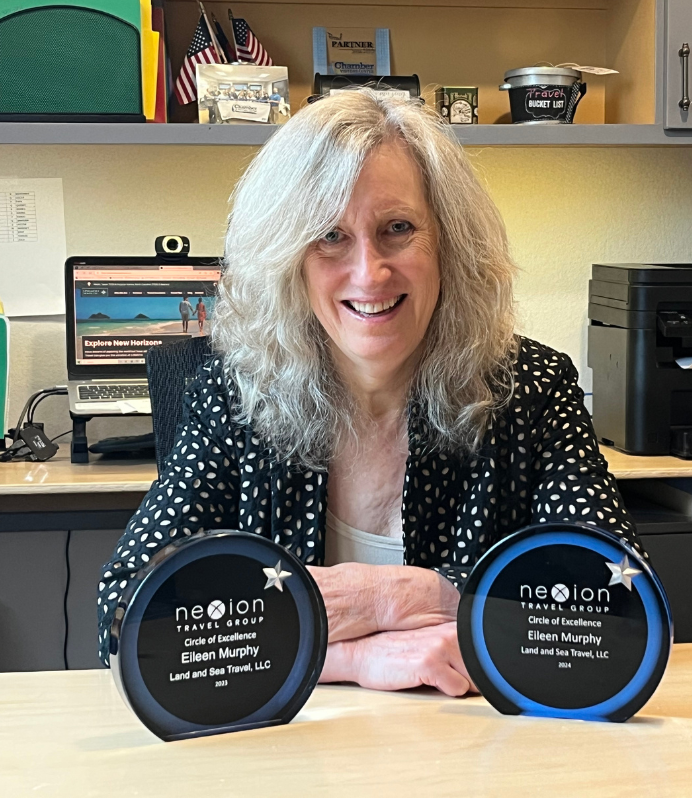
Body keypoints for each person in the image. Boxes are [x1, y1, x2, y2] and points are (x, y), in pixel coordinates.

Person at [97, 89, 642, 696]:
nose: (369, 273)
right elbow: (128, 617)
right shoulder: (234, 396)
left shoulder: (532, 391)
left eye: (398, 229)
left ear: (449, 246)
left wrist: (406, 595)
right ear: (289, 259)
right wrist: (351, 657)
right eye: (330, 235)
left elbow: (620, 618)